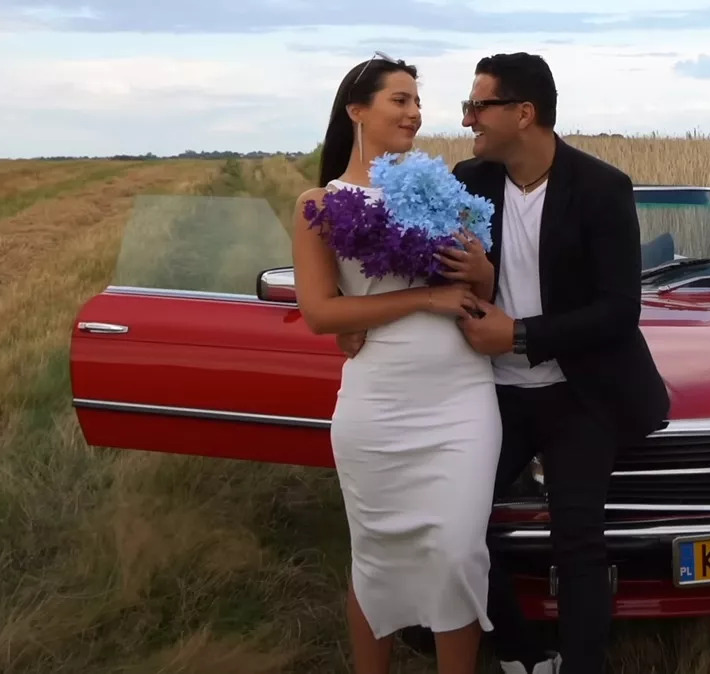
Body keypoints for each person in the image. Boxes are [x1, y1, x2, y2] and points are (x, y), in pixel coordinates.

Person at [339, 52, 671, 674]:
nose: (466, 119)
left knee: (578, 539)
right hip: (492, 393)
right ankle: (521, 656)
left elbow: (618, 310)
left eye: (477, 106)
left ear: (523, 114)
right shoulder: (467, 180)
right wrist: (352, 317)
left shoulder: (601, 188)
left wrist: (518, 335)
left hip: (579, 393)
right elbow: (409, 267)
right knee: (460, 532)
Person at [291, 53, 504, 674]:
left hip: (462, 398)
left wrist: (482, 271)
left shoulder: (442, 193)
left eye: (417, 101)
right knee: (377, 557)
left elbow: (479, 296)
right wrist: (423, 299)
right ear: (357, 111)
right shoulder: (321, 205)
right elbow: (321, 313)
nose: (414, 113)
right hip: (378, 403)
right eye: (400, 100)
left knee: (458, 554)